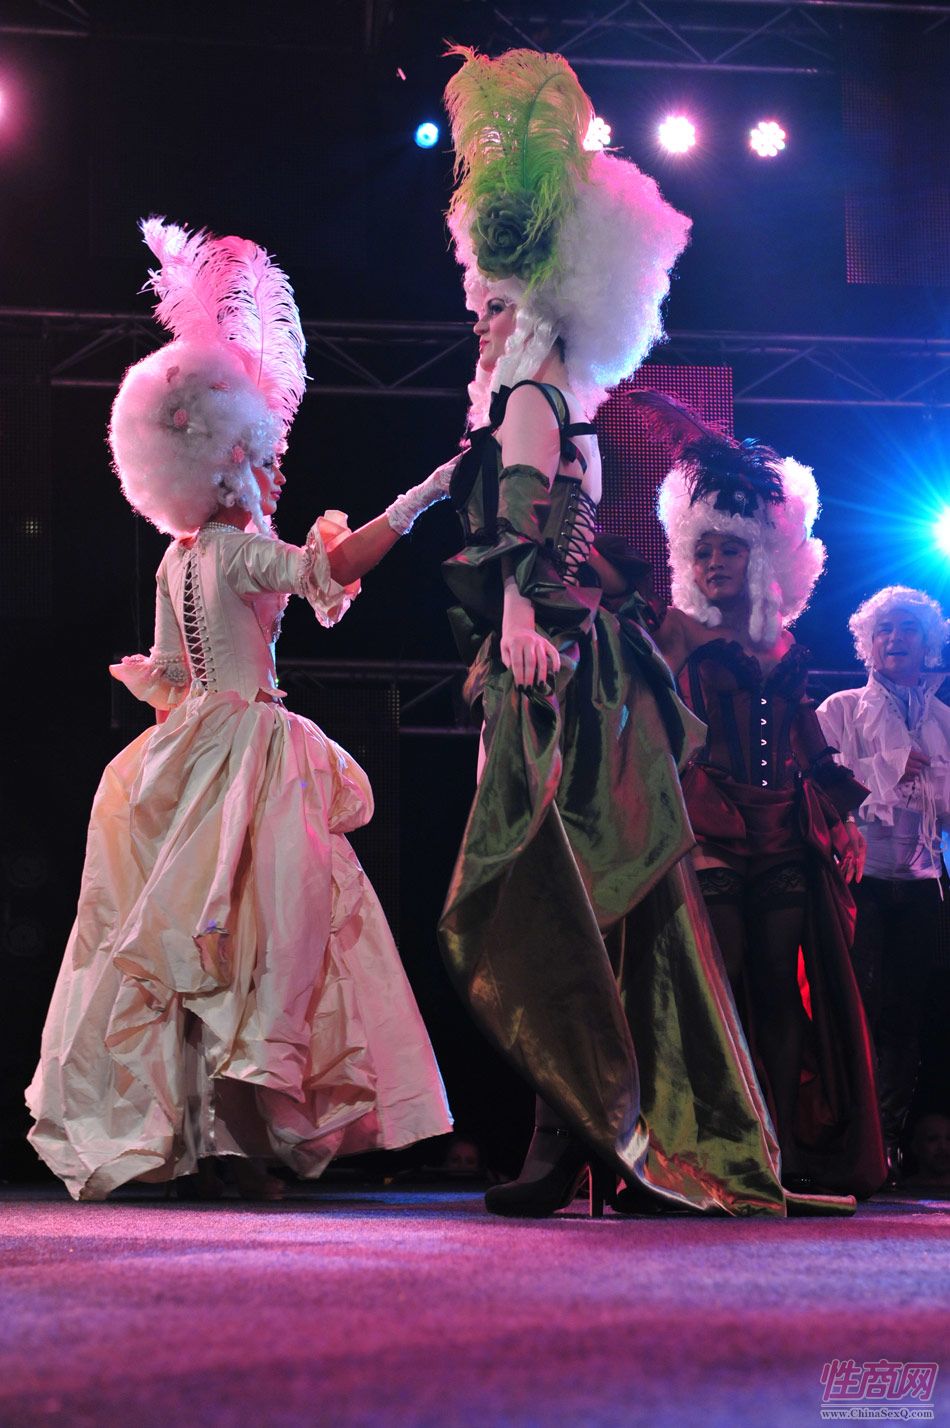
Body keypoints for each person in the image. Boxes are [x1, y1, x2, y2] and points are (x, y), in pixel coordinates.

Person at [436, 46, 815, 1219]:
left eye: (489, 304)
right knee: (596, 898)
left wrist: (513, 621)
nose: (475, 322)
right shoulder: (554, 401)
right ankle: (607, 1132)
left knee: (559, 897)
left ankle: (577, 1138)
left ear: (533, 304)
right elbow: (533, 518)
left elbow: (523, 527)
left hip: (551, 665)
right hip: (579, 663)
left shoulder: (531, 394)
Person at [26, 219, 452, 1201]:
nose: (278, 472)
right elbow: (326, 569)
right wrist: (420, 499)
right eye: (267, 460)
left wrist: (164, 747)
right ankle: (230, 1139)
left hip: (191, 750)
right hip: (249, 752)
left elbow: (174, 676)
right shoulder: (236, 551)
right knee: (262, 941)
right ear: (228, 461)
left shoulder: (180, 560)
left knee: (205, 942)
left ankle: (208, 1138)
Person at [649, 395, 885, 1197]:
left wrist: (843, 819)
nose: (716, 563)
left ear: (765, 557)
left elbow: (804, 731)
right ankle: (711, 1146)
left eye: (731, 549)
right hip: (709, 820)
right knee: (717, 987)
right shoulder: (675, 630)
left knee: (782, 990)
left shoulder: (779, 639)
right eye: (704, 549)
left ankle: (773, 1145)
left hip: (784, 824)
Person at [816, 586, 950, 1181]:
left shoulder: (942, 720)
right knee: (856, 1010)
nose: (895, 638)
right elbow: (814, 787)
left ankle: (888, 1142)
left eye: (908, 629)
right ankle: (848, 1137)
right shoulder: (841, 709)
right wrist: (886, 766)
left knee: (905, 1017)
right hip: (859, 879)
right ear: (867, 644)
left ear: (928, 643)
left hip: (921, 884)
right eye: (884, 629)